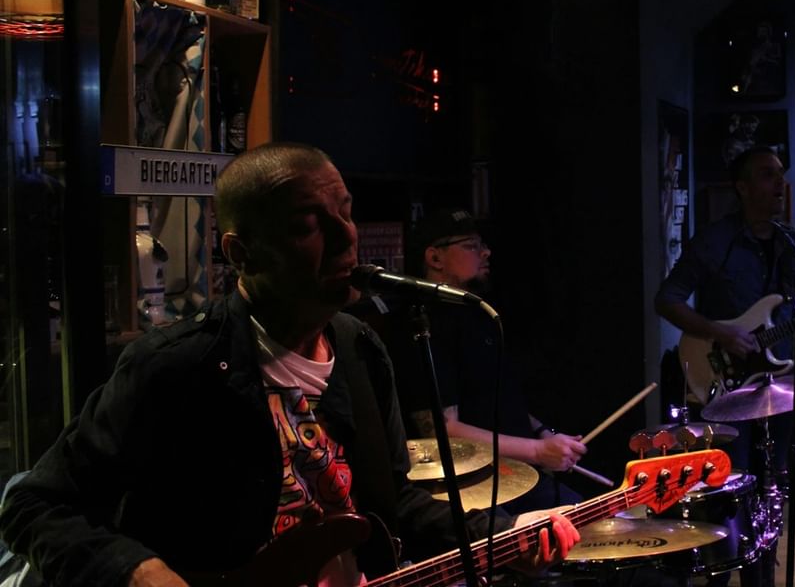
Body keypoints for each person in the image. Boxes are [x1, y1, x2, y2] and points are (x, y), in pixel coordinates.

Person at [0, 143, 578, 586]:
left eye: (345, 212)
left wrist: (500, 534)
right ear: (241, 254)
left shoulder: (359, 350)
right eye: (308, 224)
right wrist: (138, 569)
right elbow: (34, 504)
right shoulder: (174, 367)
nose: (346, 236)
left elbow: (390, 503)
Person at [655, 145, 795, 587]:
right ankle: (720, 569)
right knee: (727, 483)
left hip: (777, 382)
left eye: (781, 175)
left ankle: (761, 573)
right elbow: (667, 299)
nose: (780, 185)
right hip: (726, 383)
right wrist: (721, 332)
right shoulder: (715, 241)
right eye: (768, 175)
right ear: (742, 187)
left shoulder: (794, 241)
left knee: (774, 484)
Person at [366, 207, 586, 514]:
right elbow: (442, 430)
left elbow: (498, 398)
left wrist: (543, 434)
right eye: (471, 245)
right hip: (476, 488)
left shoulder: (480, 316)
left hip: (517, 475)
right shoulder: (422, 325)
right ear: (435, 258)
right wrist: (536, 451)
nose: (486, 252)